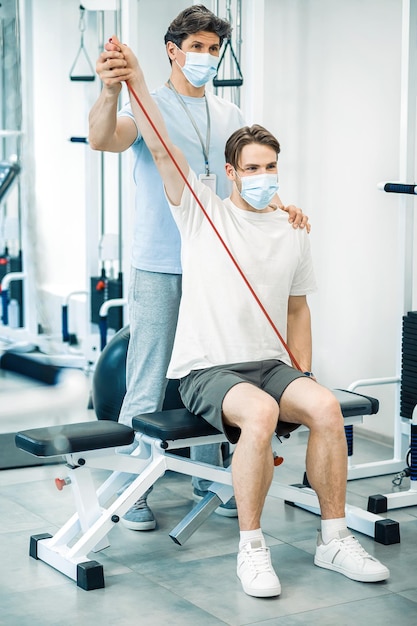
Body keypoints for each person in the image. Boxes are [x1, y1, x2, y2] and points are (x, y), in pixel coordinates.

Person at [100, 34, 391, 599]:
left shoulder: (292, 229)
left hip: (270, 363)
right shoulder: (200, 211)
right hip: (207, 369)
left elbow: (299, 310)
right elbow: (161, 147)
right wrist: (133, 79)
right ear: (231, 173)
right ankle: (252, 550)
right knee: (257, 414)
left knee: (327, 408)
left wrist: (301, 372)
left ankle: (333, 538)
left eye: (272, 166)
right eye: (253, 167)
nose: (265, 176)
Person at [88, 5, 309, 531]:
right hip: (162, 263)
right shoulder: (149, 105)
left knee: (216, 373)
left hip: (217, 265)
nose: (206, 57)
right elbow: (102, 139)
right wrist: (112, 91)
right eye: (198, 47)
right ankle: (129, 488)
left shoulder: (229, 114)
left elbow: (244, 181)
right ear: (173, 49)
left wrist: (282, 206)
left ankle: (210, 479)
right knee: (146, 379)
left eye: (214, 49)